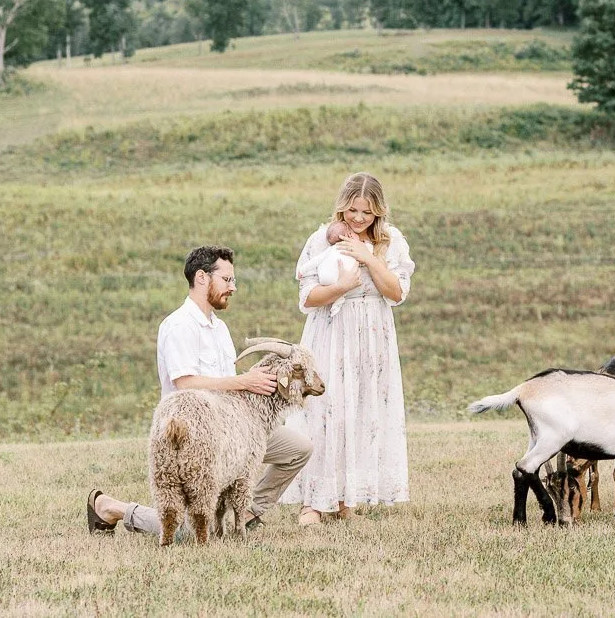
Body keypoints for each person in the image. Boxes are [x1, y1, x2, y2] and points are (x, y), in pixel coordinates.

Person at [85, 244, 312, 539]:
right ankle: (110, 508)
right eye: (227, 280)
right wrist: (245, 381)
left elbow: (228, 386)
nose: (233, 287)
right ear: (202, 278)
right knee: (188, 532)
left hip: (234, 432)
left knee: (298, 449)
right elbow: (186, 383)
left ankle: (246, 513)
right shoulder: (178, 326)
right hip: (192, 435)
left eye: (233, 280)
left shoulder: (219, 329)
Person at [283, 172, 415, 524]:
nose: (358, 219)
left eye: (367, 213)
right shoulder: (321, 240)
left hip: (373, 339)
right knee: (326, 413)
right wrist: (341, 285)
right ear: (342, 208)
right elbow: (307, 298)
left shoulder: (392, 241)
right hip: (331, 334)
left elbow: (397, 293)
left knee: (362, 411)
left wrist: (369, 257)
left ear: (378, 214)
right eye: (353, 210)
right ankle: (313, 501)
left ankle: (347, 499)